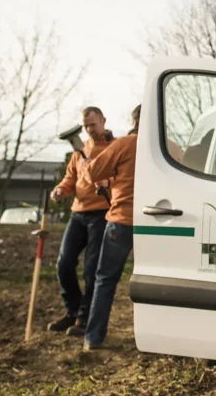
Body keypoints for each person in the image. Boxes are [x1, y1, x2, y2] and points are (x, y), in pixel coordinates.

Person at [48, 106, 114, 336]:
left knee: (91, 269)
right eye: (86, 126)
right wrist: (59, 190)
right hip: (78, 214)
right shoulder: (79, 151)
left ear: (104, 121)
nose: (89, 129)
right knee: (64, 264)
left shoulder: (114, 148)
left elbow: (122, 178)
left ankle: (85, 319)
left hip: (101, 214)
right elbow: (70, 179)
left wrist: (108, 184)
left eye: (93, 124)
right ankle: (72, 311)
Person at [81, 104, 140, 350]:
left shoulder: (125, 143)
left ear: (135, 120)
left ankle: (93, 338)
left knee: (105, 279)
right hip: (159, 221)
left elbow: (92, 172)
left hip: (122, 219)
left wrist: (88, 165)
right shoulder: (170, 147)